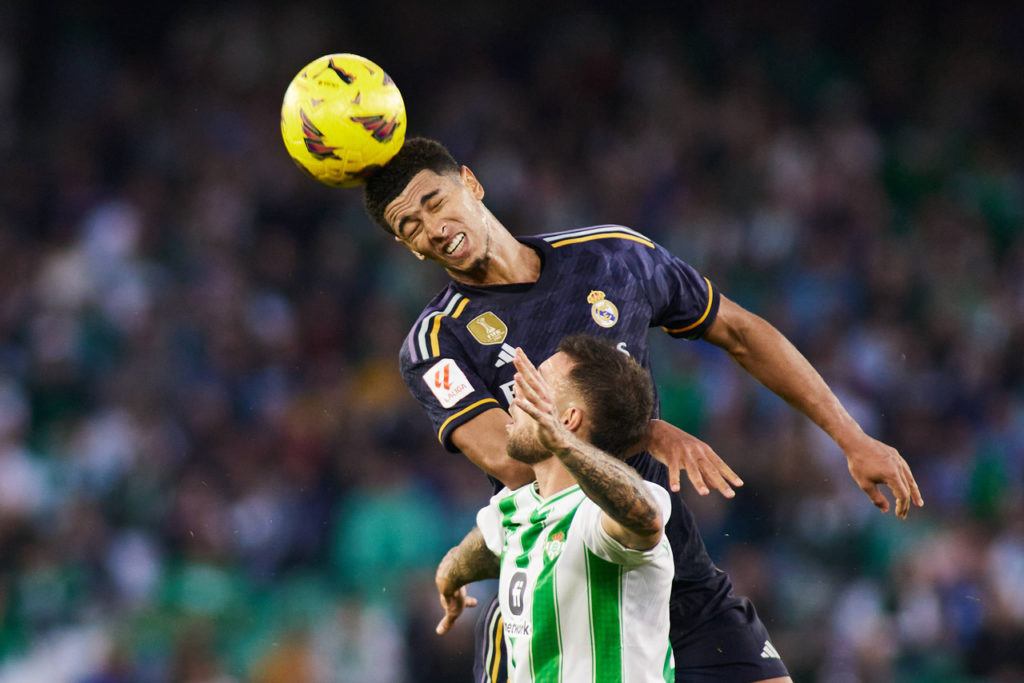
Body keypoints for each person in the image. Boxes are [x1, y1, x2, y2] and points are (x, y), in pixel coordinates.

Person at [363, 137, 922, 682]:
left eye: (435, 203)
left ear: (470, 183)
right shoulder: (436, 341)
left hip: (668, 557)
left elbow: (740, 332)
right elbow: (510, 459)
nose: (433, 230)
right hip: (560, 589)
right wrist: (643, 431)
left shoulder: (612, 256)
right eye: (409, 227)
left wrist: (852, 439)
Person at [435, 335, 675, 682]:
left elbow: (645, 519)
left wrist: (563, 444)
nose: (516, 391)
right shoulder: (516, 508)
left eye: (536, 383)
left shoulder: (599, 514)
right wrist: (451, 576)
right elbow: (489, 545)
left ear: (568, 419)